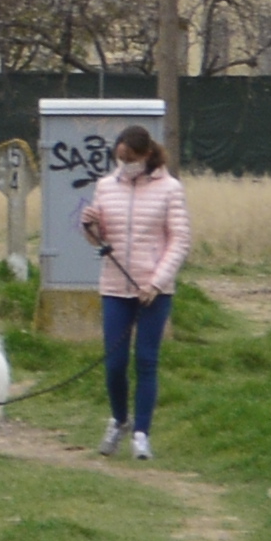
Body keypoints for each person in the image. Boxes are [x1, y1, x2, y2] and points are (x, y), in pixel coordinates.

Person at [82, 125, 189, 456]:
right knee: (114, 363)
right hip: (115, 287)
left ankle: (142, 432)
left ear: (146, 155)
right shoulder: (105, 186)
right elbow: (100, 239)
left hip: (154, 291)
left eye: (130, 158)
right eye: (119, 158)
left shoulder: (170, 188)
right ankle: (118, 420)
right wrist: (91, 227)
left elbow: (180, 240)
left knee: (145, 359)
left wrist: (156, 282)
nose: (124, 163)